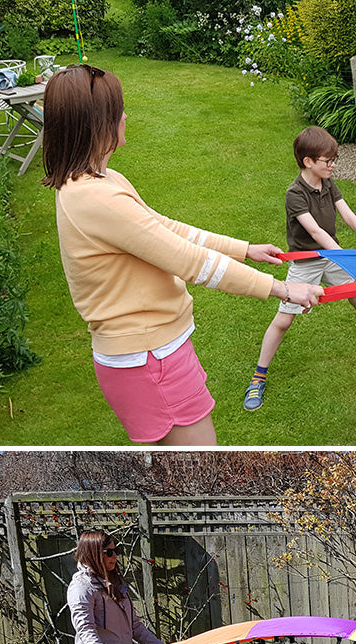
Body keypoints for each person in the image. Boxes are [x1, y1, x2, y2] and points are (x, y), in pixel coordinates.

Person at [42, 64, 324, 445]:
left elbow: (167, 228)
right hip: (149, 358)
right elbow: (192, 263)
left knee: (188, 478)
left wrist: (243, 250)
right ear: (97, 123)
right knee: (202, 475)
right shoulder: (96, 198)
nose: (126, 116)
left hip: (152, 352)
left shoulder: (100, 181)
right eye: (119, 109)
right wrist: (283, 290)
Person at [244, 126, 356, 410]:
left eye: (334, 159)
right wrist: (345, 256)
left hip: (331, 254)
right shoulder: (295, 193)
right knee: (285, 319)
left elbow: (347, 213)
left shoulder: (328, 183)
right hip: (305, 261)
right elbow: (315, 232)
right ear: (308, 161)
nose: (333, 164)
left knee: (353, 284)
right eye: (328, 160)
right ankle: (258, 376)